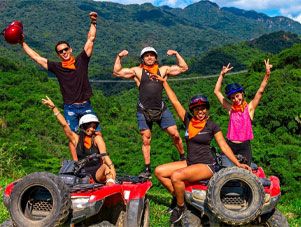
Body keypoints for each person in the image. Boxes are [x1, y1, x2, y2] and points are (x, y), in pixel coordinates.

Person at [152, 75, 251, 224]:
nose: (200, 111)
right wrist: (164, 83)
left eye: (203, 108)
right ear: (193, 110)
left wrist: (237, 163)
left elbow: (223, 146)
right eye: (197, 109)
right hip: (190, 162)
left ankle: (180, 207)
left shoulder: (212, 125)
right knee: (159, 171)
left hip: (205, 165)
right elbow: (175, 102)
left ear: (206, 110)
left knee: (176, 176)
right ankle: (178, 197)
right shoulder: (188, 121)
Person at [18, 12, 100, 161]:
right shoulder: (57, 67)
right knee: (72, 137)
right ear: (58, 55)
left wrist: (93, 22)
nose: (64, 52)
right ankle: (77, 165)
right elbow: (36, 58)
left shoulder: (82, 60)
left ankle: (101, 162)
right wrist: (22, 43)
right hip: (70, 108)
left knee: (97, 134)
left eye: (65, 49)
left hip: (86, 105)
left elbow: (91, 39)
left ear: (70, 49)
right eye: (60, 51)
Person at [113, 47, 188, 179]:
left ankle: (184, 157)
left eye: (151, 55)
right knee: (146, 139)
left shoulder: (163, 70)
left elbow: (183, 68)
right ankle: (147, 169)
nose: (149, 57)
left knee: (175, 134)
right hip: (144, 110)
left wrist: (176, 54)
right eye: (146, 56)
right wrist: (119, 57)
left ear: (156, 58)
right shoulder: (138, 71)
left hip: (160, 108)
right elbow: (117, 72)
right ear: (142, 58)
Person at [42, 96, 116, 185]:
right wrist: (54, 108)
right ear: (83, 126)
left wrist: (112, 169)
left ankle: (110, 187)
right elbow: (65, 125)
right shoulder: (76, 139)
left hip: (97, 172)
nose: (92, 129)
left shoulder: (97, 138)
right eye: (90, 126)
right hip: (82, 174)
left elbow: (104, 156)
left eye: (94, 127)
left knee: (106, 167)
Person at [214, 60, 272, 165]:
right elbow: (216, 92)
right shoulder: (231, 109)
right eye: (232, 98)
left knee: (244, 174)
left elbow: (260, 91)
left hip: (244, 147)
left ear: (242, 93)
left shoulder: (249, 108)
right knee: (224, 173)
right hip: (230, 145)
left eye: (237, 96)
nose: (236, 99)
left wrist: (267, 74)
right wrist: (222, 75)